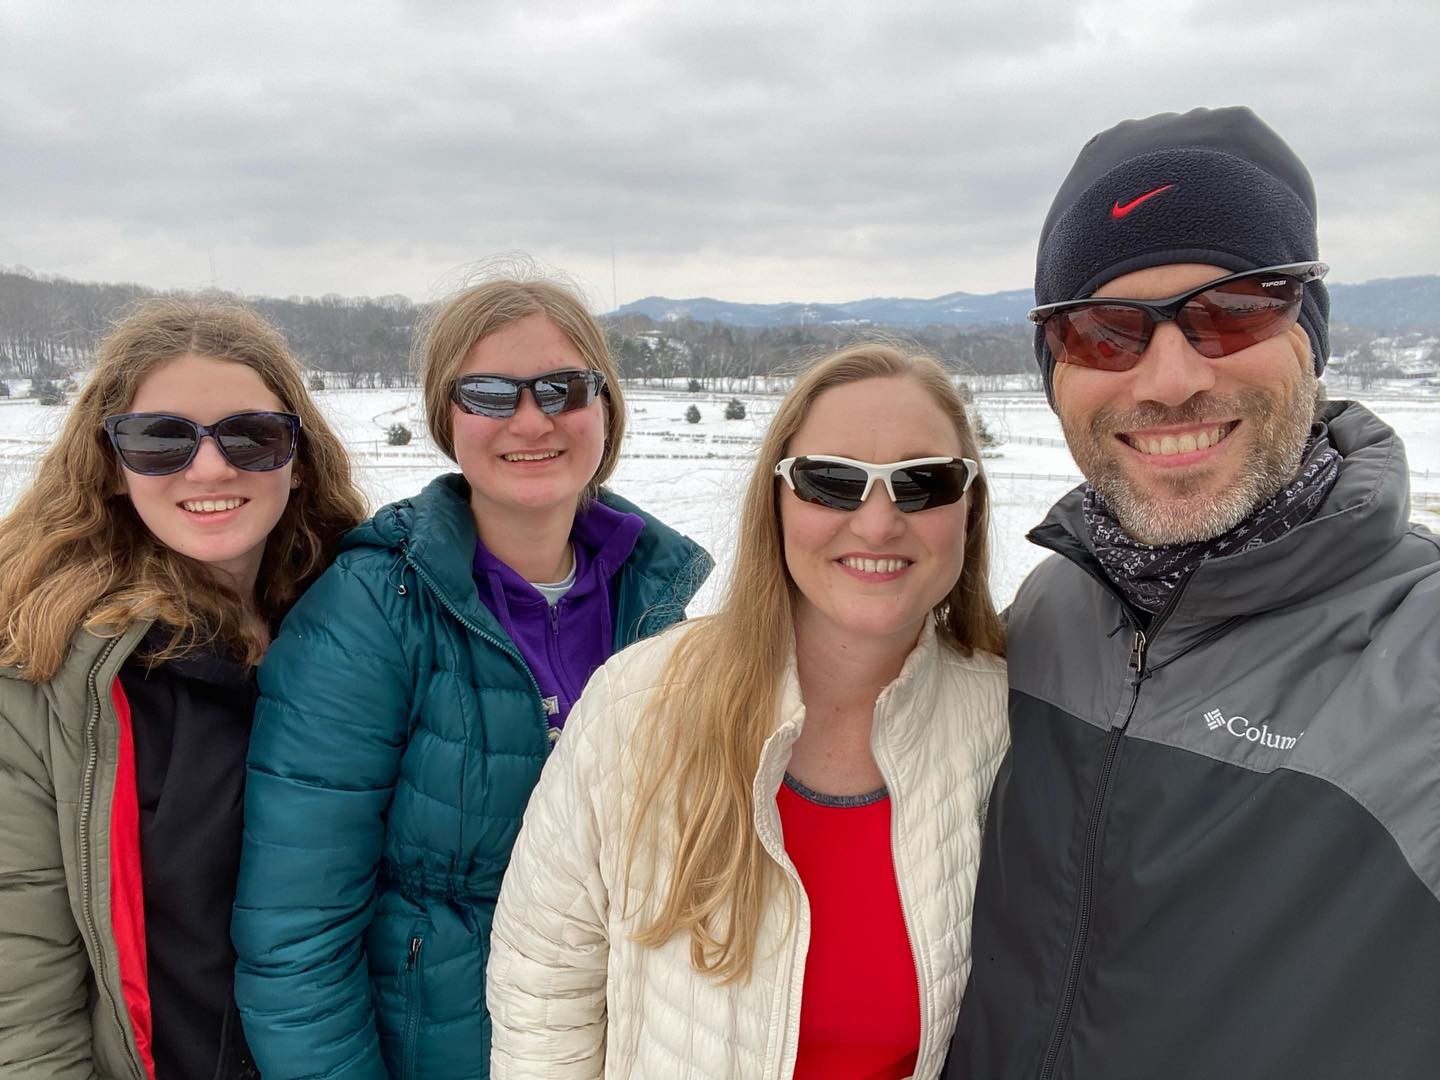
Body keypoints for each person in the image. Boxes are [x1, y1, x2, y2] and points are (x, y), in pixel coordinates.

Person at [949, 106, 1440, 1079]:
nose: (1170, 379)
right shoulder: (1047, 611)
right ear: (1055, 374)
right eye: (1103, 331)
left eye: (1233, 310)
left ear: (1312, 335)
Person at [232, 274, 712, 1079]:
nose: (532, 419)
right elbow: (297, 938)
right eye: (488, 394)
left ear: (606, 408)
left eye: (563, 388)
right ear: (445, 418)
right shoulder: (371, 613)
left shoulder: (656, 604)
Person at [488, 344, 1008, 1079]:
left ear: (970, 506)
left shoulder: (1006, 727)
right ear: (777, 501)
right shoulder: (638, 707)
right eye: (832, 482)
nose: (879, 522)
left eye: (925, 483)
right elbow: (543, 992)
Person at [0, 298, 367, 1078]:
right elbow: (21, 988)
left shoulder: (362, 630)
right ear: (110, 462)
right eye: (161, 439)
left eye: (252, 435)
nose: (210, 467)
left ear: (297, 458)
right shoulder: (44, 675)